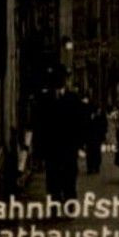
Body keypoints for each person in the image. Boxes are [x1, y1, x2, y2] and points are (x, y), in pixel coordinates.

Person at [32, 68, 86, 202]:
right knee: (52, 178)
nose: (62, 82)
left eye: (63, 79)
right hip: (52, 147)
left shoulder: (73, 98)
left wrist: (80, 144)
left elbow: (80, 122)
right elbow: (39, 125)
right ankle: (54, 204)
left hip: (69, 146)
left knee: (70, 176)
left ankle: (69, 202)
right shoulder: (44, 100)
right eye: (59, 79)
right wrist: (39, 150)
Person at [83, 100, 107, 177]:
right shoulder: (100, 114)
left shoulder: (87, 114)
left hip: (91, 135)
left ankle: (91, 167)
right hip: (95, 135)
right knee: (95, 151)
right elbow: (104, 124)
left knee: (91, 151)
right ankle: (95, 166)